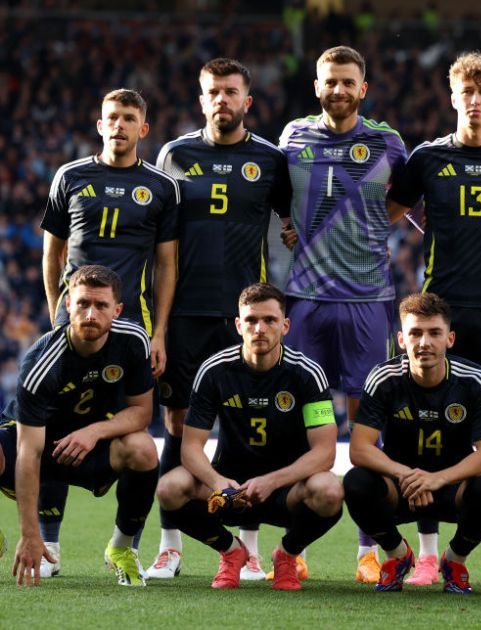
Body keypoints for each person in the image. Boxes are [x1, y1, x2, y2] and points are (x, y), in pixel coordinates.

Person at [387, 51, 481, 588]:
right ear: (452, 97)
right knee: (425, 430)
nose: (474, 100)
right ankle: (428, 554)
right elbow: (389, 208)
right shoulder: (427, 158)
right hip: (438, 307)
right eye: (465, 91)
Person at [148, 57, 293, 581]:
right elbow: (160, 240)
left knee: (242, 430)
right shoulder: (175, 154)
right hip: (187, 312)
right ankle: (170, 547)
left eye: (232, 91)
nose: (222, 100)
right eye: (214, 92)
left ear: (247, 100)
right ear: (202, 97)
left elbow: (291, 220)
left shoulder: (270, 160)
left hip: (244, 316)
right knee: (177, 426)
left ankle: (250, 549)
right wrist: (158, 326)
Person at [277, 44, 408, 583]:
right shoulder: (292, 137)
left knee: (366, 428)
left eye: (348, 81)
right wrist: (294, 225)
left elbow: (403, 201)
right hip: (305, 301)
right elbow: (279, 195)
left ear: (364, 87)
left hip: (368, 302)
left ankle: (369, 549)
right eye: (330, 81)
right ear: (316, 86)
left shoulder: (389, 143)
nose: (338, 89)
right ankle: (292, 546)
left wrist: (373, 225)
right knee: (297, 422)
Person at [38, 88, 179, 576]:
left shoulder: (161, 187)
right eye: (111, 117)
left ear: (144, 129)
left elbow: (166, 264)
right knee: (53, 423)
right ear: (99, 125)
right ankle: (50, 546)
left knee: (140, 436)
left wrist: (158, 332)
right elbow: (52, 254)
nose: (119, 125)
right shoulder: (70, 176)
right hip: (71, 324)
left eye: (130, 118)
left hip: (131, 329)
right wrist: (56, 317)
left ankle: (125, 544)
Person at [155, 283, 343, 591]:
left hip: (286, 490)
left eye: (269, 320)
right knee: (169, 488)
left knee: (330, 491)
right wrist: (217, 482)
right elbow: (190, 448)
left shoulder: (307, 374)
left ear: (285, 326)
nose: (260, 328)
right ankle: (231, 552)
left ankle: (287, 555)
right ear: (238, 325)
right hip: (230, 490)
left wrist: (272, 481)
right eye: (252, 320)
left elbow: (325, 453)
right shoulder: (214, 371)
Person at [4, 265, 160, 587]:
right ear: (67, 306)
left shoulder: (133, 341)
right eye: (82, 304)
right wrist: (29, 535)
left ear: (117, 310)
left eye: (101, 305)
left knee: (143, 448)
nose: (91, 314)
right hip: (37, 442)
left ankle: (121, 548)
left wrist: (94, 431)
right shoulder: (41, 362)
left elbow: (142, 413)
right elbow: (28, 453)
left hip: (89, 446)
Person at [341, 292, 481, 594]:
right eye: (415, 333)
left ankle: (455, 560)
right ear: (401, 340)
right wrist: (406, 475)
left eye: (434, 333)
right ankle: (397, 556)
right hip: (400, 487)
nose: (424, 342)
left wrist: (436, 479)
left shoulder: (474, 379)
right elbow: (359, 448)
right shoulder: (384, 377)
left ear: (450, 339)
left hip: (452, 487)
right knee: (356, 483)